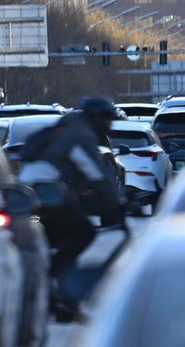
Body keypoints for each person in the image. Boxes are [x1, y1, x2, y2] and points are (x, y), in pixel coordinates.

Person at [17, 96, 125, 293]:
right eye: (108, 120)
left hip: (35, 194)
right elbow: (96, 173)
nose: (110, 126)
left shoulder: (70, 126)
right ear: (97, 119)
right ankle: (48, 273)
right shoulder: (81, 136)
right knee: (83, 232)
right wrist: (119, 200)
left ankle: (61, 290)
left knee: (68, 234)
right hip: (46, 196)